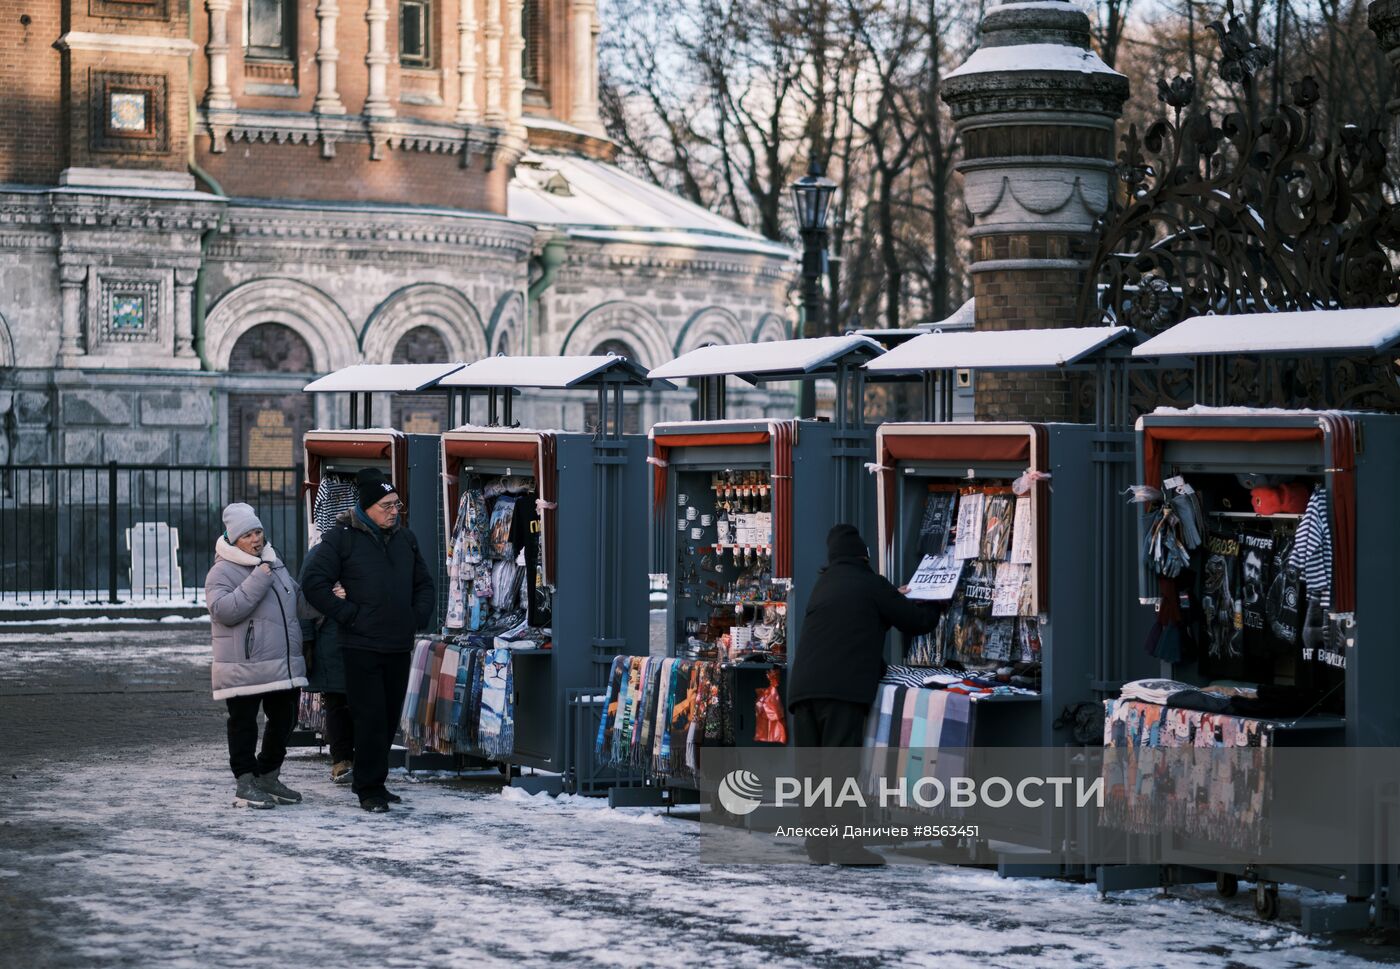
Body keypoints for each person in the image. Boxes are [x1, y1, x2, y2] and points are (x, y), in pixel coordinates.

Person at [786, 523, 942, 865]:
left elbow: (856, 617)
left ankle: (819, 849)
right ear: (864, 554)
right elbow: (916, 621)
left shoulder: (824, 585)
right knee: (840, 770)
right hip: (841, 690)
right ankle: (846, 849)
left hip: (802, 689)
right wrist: (937, 602)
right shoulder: (870, 583)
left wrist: (888, 600)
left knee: (811, 773)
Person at [301, 468, 435, 813]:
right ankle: (369, 788)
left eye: (397, 504)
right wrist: (348, 614)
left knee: (389, 719)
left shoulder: (405, 539)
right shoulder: (341, 538)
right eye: (387, 505)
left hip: (397, 644)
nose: (394, 511)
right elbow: (314, 583)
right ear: (367, 507)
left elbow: (425, 585)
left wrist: (415, 617)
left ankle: (374, 780)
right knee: (370, 717)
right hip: (359, 645)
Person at [206, 502, 310, 810]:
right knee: (244, 724)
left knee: (285, 718)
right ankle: (245, 782)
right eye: (249, 534)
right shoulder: (221, 571)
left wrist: (326, 599)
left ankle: (268, 775)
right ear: (233, 537)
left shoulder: (273, 563)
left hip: (281, 664)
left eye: (259, 532)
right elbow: (223, 611)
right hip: (243, 666)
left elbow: (296, 602)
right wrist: (258, 577)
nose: (256, 540)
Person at [299, 542, 354, 785]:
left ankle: (350, 759)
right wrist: (308, 641)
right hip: (332, 637)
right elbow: (305, 599)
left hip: (358, 634)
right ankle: (342, 759)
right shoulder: (321, 553)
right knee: (338, 701)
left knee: (356, 702)